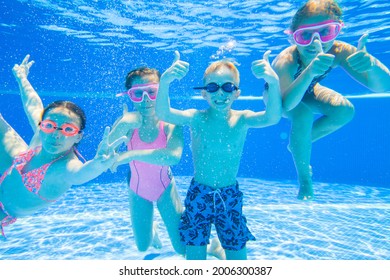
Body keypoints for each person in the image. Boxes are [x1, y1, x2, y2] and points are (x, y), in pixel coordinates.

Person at [155, 50, 282, 260]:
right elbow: (164, 113)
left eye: (228, 87)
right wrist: (166, 82)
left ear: (237, 92)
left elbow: (272, 117)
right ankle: (213, 249)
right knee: (194, 259)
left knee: (238, 260)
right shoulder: (196, 118)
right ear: (204, 93)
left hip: (229, 196)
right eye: (213, 87)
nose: (220, 94)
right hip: (200, 195)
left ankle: (218, 249)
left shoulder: (242, 119)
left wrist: (273, 81)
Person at [271, 0, 390, 200]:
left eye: (326, 32)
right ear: (293, 38)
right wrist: (309, 73)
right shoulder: (287, 61)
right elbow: (286, 104)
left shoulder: (339, 51)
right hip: (279, 95)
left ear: (338, 30)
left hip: (308, 89)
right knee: (302, 113)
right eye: (305, 35)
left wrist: (372, 66)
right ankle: (305, 182)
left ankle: (299, 144)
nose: (316, 42)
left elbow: (384, 86)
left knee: (344, 111)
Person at [0, 55, 125, 238]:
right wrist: (22, 78)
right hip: (12, 163)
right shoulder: (44, 132)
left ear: (77, 136)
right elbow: (33, 105)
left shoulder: (65, 167)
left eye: (67, 129)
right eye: (49, 125)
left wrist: (99, 164)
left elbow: (81, 174)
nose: (56, 134)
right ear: (43, 125)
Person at [108, 67, 186, 255]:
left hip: (165, 189)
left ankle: (213, 247)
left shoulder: (171, 122)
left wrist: (130, 155)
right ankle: (153, 229)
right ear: (130, 96)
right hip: (137, 189)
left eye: (152, 92)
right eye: (137, 94)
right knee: (143, 246)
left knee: (182, 248)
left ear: (161, 92)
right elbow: (104, 157)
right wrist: (122, 125)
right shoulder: (127, 122)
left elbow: (173, 156)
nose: (145, 100)